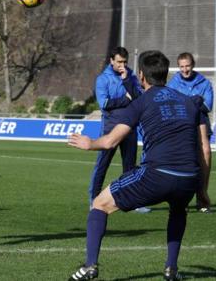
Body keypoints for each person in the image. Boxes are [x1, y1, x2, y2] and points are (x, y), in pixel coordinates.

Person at [68, 50, 205, 281]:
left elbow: (111, 140)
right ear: (166, 73)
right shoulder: (189, 102)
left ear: (141, 75)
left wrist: (89, 143)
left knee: (100, 204)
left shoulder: (141, 102)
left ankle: (90, 267)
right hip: (189, 176)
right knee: (178, 209)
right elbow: (201, 147)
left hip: (157, 174)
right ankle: (171, 269)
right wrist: (201, 190)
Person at [91, 47, 150, 213]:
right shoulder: (103, 79)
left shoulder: (131, 76)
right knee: (102, 165)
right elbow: (105, 104)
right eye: (119, 62)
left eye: (124, 62)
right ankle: (94, 199)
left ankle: (132, 202)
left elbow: (139, 98)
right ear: (111, 61)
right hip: (110, 128)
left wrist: (126, 81)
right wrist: (125, 99)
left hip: (129, 127)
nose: (122, 65)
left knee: (130, 167)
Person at [167, 52, 213, 213]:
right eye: (181, 66)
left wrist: (186, 102)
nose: (185, 69)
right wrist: (195, 100)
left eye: (187, 66)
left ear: (192, 65)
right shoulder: (173, 83)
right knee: (184, 159)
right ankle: (182, 199)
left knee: (206, 153)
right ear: (178, 67)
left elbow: (207, 106)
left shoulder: (204, 82)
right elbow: (171, 105)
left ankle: (202, 197)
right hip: (181, 123)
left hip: (201, 121)